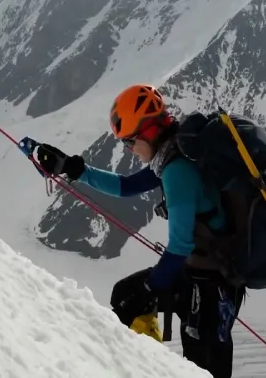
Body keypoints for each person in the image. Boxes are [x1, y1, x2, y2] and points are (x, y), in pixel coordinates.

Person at [35, 84, 245, 378]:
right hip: (196, 271)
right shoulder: (172, 154)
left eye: (129, 141)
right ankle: (149, 368)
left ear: (148, 132)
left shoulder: (177, 171)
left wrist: (149, 288)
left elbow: (180, 246)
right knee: (126, 296)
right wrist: (73, 168)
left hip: (213, 284)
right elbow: (127, 186)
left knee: (205, 367)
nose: (129, 149)